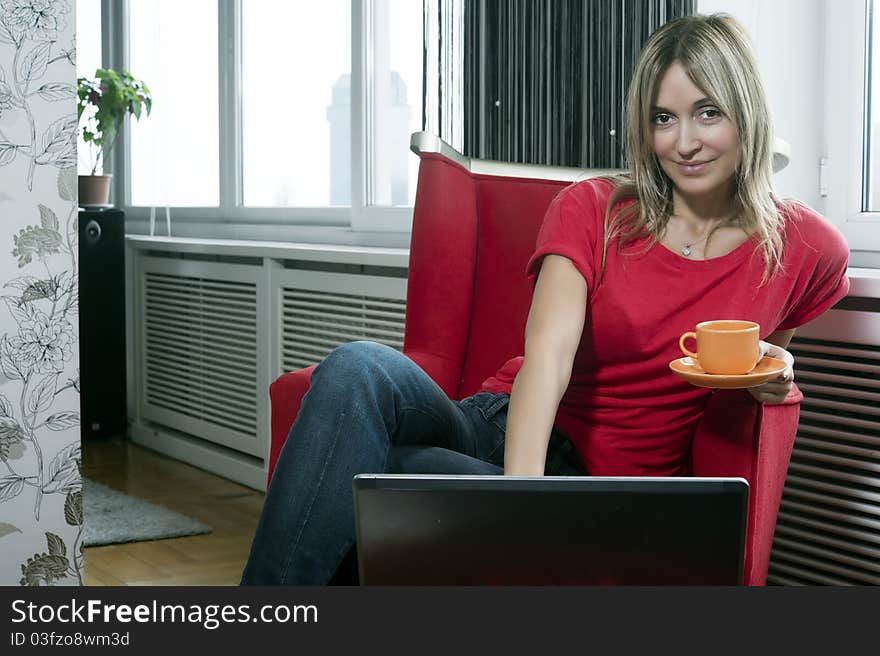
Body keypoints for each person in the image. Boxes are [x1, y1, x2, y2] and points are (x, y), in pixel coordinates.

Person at [240, 13, 850, 585]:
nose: (683, 142)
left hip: (603, 485)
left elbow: (758, 360)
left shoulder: (807, 249)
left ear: (748, 112)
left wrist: (777, 371)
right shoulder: (592, 210)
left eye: (707, 113)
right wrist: (522, 512)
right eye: (663, 118)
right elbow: (548, 358)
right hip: (503, 429)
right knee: (355, 370)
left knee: (377, 475)